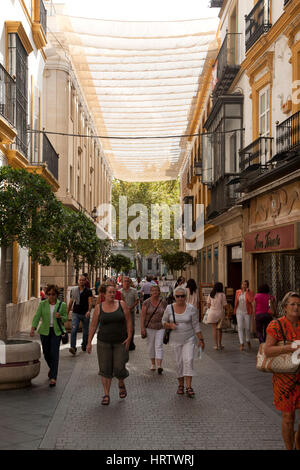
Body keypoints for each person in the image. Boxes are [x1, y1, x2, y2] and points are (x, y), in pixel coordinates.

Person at [264, 291, 300, 450]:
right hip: (284, 379)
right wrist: (290, 347)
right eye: (292, 304)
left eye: (299, 305)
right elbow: (268, 350)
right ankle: (288, 448)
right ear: (285, 307)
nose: (296, 307)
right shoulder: (276, 325)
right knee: (288, 417)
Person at [87, 284, 133, 405]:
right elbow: (93, 325)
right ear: (104, 294)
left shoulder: (121, 304)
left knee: (119, 367)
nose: (112, 294)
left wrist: (129, 337)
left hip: (120, 341)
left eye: (114, 292)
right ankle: (106, 394)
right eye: (110, 292)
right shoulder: (98, 307)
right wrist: (89, 342)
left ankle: (121, 382)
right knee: (105, 369)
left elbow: (129, 321)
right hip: (103, 342)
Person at [162, 286, 205, 397]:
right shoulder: (169, 308)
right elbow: (163, 321)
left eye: (182, 296)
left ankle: (188, 386)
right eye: (178, 296)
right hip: (175, 340)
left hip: (189, 339)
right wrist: (170, 325)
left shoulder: (191, 308)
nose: (180, 298)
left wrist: (201, 339)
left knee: (188, 360)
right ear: (174, 297)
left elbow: (196, 325)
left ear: (186, 297)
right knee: (178, 363)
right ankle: (180, 385)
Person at [30, 285, 67, 387]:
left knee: (54, 353)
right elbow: (37, 316)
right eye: (49, 294)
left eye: (53, 294)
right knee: (46, 353)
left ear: (56, 295)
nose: (51, 296)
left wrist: (60, 316)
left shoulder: (62, 305)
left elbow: (65, 318)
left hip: (56, 332)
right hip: (45, 331)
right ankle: (52, 368)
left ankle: (53, 377)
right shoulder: (43, 304)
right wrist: (33, 328)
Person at [140, 285, 167, 373]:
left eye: (157, 290)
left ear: (159, 292)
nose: (155, 292)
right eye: (153, 291)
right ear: (150, 292)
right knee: (151, 345)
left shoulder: (163, 302)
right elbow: (143, 316)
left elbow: (167, 314)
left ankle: (159, 365)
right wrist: (142, 328)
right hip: (149, 327)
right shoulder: (146, 303)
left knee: (159, 345)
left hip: (161, 326)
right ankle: (153, 363)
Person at [68, 275, 93, 355]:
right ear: (78, 281)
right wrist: (67, 312)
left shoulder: (88, 291)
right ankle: (73, 347)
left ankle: (84, 344)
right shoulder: (74, 290)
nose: (81, 281)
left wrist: (89, 311)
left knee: (85, 332)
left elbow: (90, 302)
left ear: (85, 281)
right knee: (74, 330)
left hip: (85, 313)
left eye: (83, 280)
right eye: (80, 280)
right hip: (76, 313)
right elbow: (71, 302)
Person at [206, 282, 228, 351]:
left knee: (214, 329)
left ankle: (215, 345)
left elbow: (208, 305)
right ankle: (220, 345)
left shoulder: (211, 294)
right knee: (219, 329)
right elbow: (225, 305)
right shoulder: (222, 295)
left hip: (212, 313)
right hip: (219, 313)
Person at [233, 280, 255, 351]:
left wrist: (247, 292)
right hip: (239, 311)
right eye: (243, 284)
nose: (244, 286)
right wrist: (234, 310)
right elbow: (236, 301)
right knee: (240, 327)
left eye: (245, 284)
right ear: (241, 285)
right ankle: (241, 343)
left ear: (247, 285)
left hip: (247, 312)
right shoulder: (237, 292)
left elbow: (251, 300)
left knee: (247, 327)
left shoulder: (250, 292)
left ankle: (248, 340)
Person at [120, 277, 138, 350]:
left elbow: (137, 301)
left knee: (131, 328)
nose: (126, 283)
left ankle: (131, 343)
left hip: (130, 313)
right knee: (123, 328)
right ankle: (123, 343)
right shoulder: (119, 291)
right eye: (125, 281)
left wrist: (131, 307)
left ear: (130, 283)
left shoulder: (134, 291)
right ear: (122, 282)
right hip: (122, 313)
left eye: (128, 281)